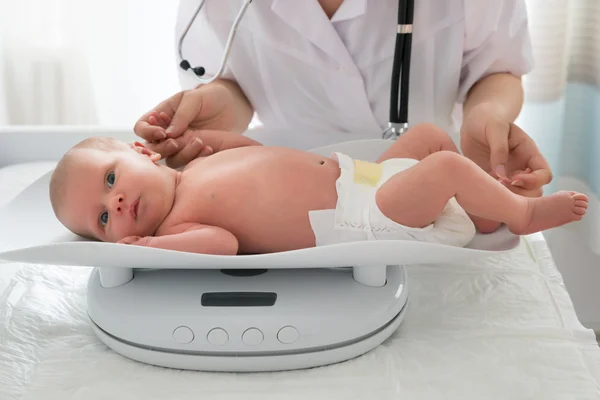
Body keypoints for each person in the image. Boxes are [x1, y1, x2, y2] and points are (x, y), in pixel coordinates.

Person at [133, 0, 551, 235]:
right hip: (296, 210)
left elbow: (497, 68)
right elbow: (230, 78)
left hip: (413, 177)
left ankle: (508, 207)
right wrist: (220, 103)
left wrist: (489, 114)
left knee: (450, 176)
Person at [48, 123, 587, 255]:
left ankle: (484, 211)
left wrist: (203, 138)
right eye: (102, 220)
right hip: (364, 215)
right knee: (444, 164)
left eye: (110, 180)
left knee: (427, 137)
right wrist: (149, 247)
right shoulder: (178, 224)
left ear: (142, 152)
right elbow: (223, 245)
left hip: (365, 176)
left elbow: (253, 152)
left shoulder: (197, 169)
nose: (114, 203)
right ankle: (518, 213)